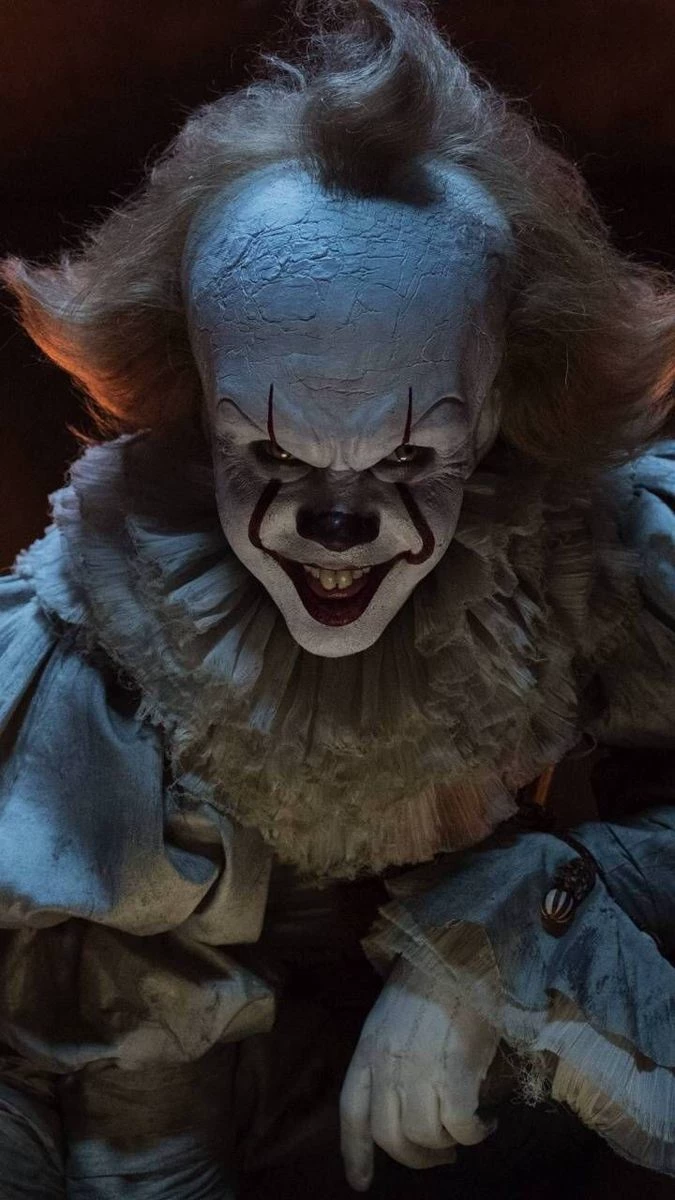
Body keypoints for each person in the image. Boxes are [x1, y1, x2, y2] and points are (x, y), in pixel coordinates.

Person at [0, 1, 673, 1195]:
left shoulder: (594, 554)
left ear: (501, 402)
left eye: (411, 457)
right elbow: (122, 1086)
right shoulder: (106, 633)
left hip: (457, 1107)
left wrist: (518, 921)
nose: (338, 526)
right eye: (271, 452)